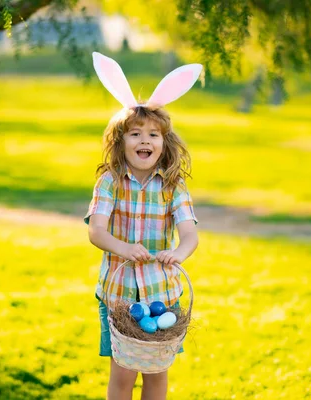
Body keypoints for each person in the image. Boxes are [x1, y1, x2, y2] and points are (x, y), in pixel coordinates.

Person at [85, 52, 202, 400]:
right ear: (120, 142)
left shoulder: (172, 186)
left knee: (156, 374)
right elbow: (96, 231)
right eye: (135, 134)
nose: (145, 141)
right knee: (122, 376)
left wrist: (178, 253)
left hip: (161, 295)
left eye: (153, 134)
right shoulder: (109, 182)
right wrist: (123, 249)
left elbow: (190, 234)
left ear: (164, 143)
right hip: (119, 296)